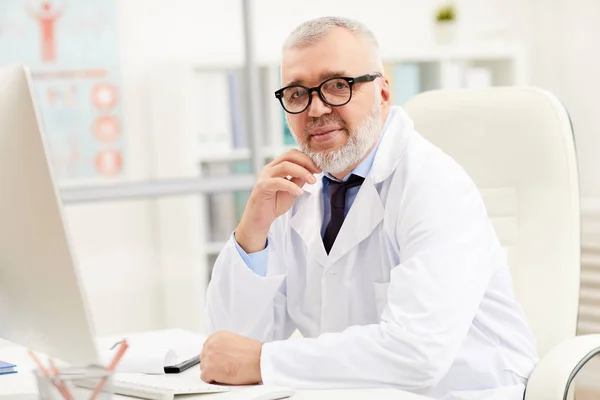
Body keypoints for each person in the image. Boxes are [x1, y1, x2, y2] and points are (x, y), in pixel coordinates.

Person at [199, 16, 539, 400]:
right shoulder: (292, 194)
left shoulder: (434, 185)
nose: (315, 109)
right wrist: (252, 232)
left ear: (382, 91)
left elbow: (417, 354)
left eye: (337, 86)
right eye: (297, 94)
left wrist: (264, 363)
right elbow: (225, 352)